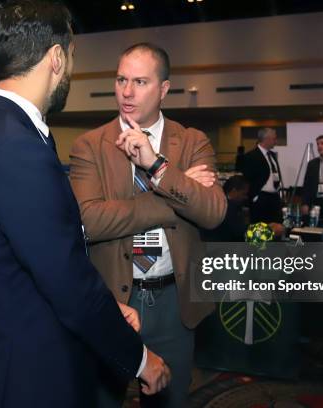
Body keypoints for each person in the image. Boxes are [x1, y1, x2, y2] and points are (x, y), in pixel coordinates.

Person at [0, 3, 169, 407]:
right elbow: (66, 281)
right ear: (55, 56)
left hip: (18, 355)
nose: (69, 67)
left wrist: (103, 304)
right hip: (36, 375)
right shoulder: (16, 148)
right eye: (71, 56)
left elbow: (40, 264)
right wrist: (140, 359)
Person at [69, 42, 226, 408]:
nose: (126, 91)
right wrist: (176, 194)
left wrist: (157, 167)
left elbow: (214, 212)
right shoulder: (90, 145)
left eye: (140, 81)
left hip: (175, 302)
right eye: (121, 79)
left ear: (164, 90)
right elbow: (89, 221)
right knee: (103, 399)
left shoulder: (191, 142)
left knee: (171, 400)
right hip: (113, 301)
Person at [241, 127, 284, 223]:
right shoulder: (251, 156)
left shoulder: (272, 155)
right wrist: (255, 197)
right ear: (266, 139)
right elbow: (247, 179)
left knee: (276, 227)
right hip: (260, 198)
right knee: (261, 229)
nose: (275, 141)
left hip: (274, 198)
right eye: (274, 138)